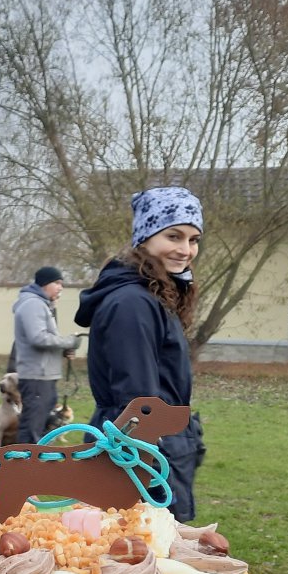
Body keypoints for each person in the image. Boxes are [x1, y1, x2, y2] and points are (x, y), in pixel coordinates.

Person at [74, 185, 206, 521]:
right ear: (145, 237)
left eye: (193, 240)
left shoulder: (152, 296)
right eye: (174, 236)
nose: (186, 250)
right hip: (140, 454)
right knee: (143, 545)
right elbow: (138, 406)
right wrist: (150, 471)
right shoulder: (133, 304)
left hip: (157, 447)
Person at [10, 266, 80, 442]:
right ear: (44, 283)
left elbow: (44, 339)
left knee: (39, 425)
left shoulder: (41, 304)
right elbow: (38, 338)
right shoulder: (33, 304)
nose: (60, 287)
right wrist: (68, 342)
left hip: (44, 375)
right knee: (32, 426)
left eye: (61, 284)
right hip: (37, 376)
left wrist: (63, 350)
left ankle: (33, 457)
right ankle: (25, 459)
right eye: (57, 283)